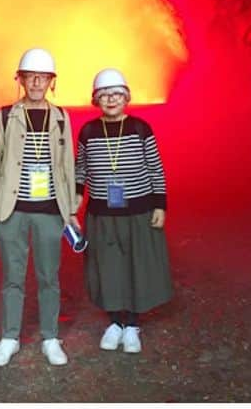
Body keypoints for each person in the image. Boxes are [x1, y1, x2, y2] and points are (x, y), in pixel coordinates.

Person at [0, 48, 81, 367]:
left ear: (51, 82)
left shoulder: (62, 117)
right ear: (20, 79)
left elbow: (67, 166)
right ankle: (9, 337)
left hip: (51, 211)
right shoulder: (7, 115)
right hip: (12, 209)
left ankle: (50, 337)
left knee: (49, 275)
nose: (36, 82)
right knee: (13, 276)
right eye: (30, 76)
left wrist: (72, 211)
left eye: (43, 77)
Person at [76, 68, 173, 354]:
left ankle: (132, 324)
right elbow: (81, 169)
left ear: (126, 97)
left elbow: (156, 168)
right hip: (103, 214)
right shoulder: (89, 131)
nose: (110, 100)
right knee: (109, 266)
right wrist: (77, 196)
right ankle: (115, 322)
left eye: (116, 94)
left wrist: (160, 204)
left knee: (136, 265)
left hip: (138, 211)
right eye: (104, 95)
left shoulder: (141, 128)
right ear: (96, 100)